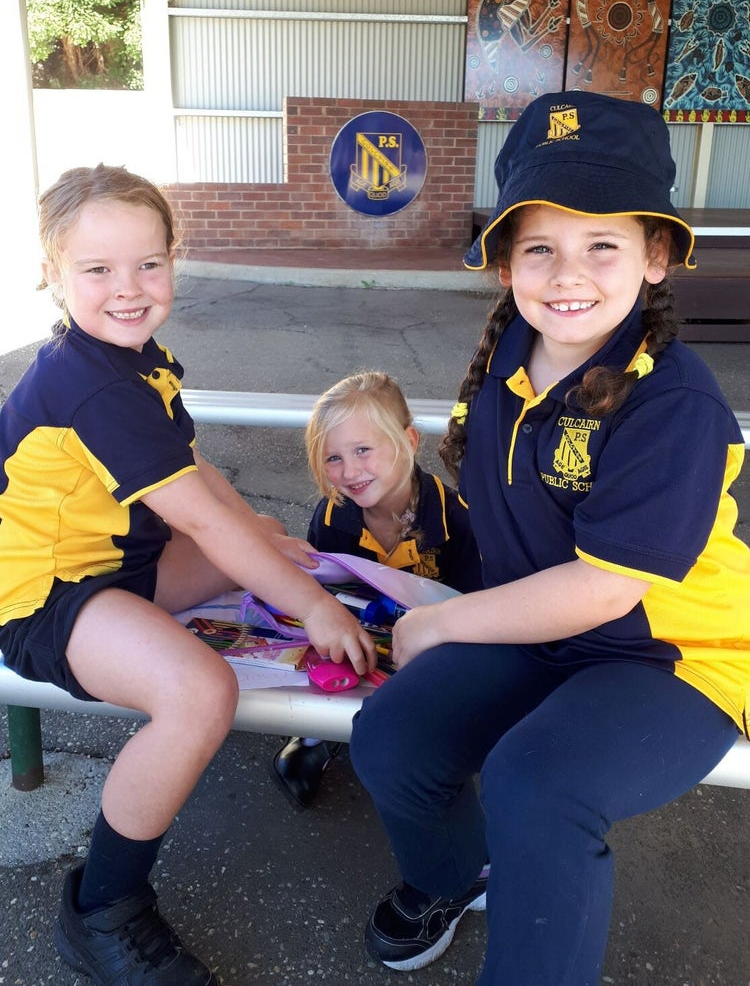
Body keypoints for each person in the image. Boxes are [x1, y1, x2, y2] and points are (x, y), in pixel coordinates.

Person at [349, 91, 750, 984]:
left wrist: (442, 622)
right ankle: (455, 877)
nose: (569, 274)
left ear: (655, 256)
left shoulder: (674, 402)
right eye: (540, 248)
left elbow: (606, 589)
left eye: (602, 245)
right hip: (541, 632)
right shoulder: (507, 363)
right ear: (505, 265)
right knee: (390, 735)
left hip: (668, 658)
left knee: (538, 786)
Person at [0, 164, 376, 986]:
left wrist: (269, 549)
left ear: (175, 258)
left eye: (148, 263)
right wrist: (310, 606)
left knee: (265, 539)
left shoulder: (136, 359)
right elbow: (200, 520)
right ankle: (103, 909)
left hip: (119, 565)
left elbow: (198, 476)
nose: (127, 288)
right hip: (47, 597)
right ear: (53, 273)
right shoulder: (90, 385)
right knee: (201, 692)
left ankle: (338, 674)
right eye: (97, 269)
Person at [272, 371, 482, 808]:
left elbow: (474, 608)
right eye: (333, 458)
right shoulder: (332, 515)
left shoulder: (458, 519)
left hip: (434, 646)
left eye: (362, 450)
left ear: (408, 440)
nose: (349, 472)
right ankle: (315, 736)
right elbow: (325, 588)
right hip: (357, 634)